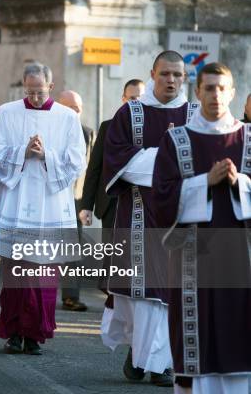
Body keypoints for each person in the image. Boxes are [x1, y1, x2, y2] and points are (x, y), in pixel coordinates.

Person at [102, 50, 199, 386]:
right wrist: (167, 157)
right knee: (139, 296)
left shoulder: (196, 113)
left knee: (170, 291)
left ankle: (161, 363)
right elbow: (117, 159)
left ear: (184, 77)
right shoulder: (131, 113)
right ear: (152, 74)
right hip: (139, 215)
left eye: (177, 75)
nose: (171, 80)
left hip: (183, 218)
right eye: (164, 74)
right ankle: (140, 352)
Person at [153, 62, 251, 394]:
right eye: (209, 88)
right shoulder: (176, 140)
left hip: (242, 259)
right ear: (197, 93)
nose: (216, 95)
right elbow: (161, 199)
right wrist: (204, 182)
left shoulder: (248, 139)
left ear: (233, 93)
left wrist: (242, 184)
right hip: (193, 259)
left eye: (222, 88)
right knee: (196, 335)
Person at [0, 61, 86, 355]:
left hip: (49, 205)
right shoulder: (7, 112)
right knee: (15, 272)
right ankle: (14, 334)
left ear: (50, 86)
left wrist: (46, 156)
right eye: (30, 91)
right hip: (17, 202)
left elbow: (76, 159)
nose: (35, 97)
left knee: (43, 274)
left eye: (40, 92)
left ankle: (35, 334)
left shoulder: (67, 117)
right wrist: (21, 152)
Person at [78, 79, 145, 310]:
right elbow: (94, 168)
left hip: (140, 202)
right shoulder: (108, 126)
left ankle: (119, 295)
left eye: (140, 98)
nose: (136, 101)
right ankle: (111, 292)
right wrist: (85, 205)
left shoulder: (149, 127)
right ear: (123, 99)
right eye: (132, 97)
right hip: (111, 202)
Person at [56, 90, 94, 312]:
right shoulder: (48, 130)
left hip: (75, 200)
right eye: (70, 108)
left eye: (77, 108)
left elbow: (92, 171)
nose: (75, 112)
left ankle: (71, 297)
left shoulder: (87, 133)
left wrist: (88, 204)